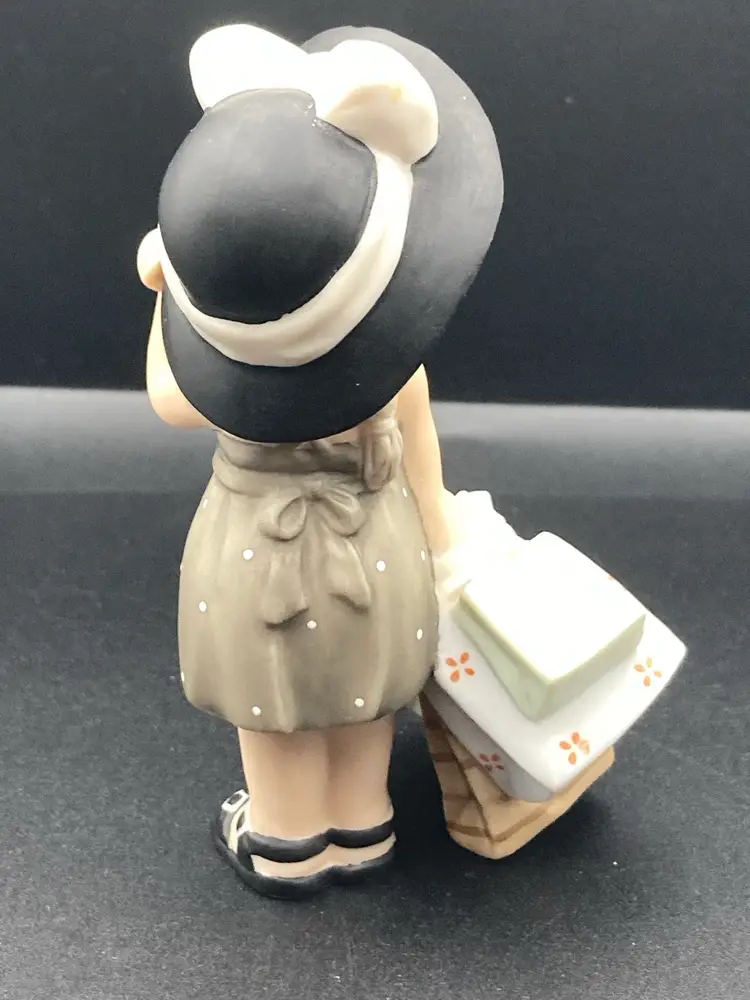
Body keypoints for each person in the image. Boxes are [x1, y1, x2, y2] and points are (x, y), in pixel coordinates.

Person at [136, 23, 503, 898]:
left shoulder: (218, 384)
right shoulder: (394, 368)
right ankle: (360, 823)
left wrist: (164, 295)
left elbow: (173, 398)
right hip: (378, 543)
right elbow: (422, 456)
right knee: (364, 693)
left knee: (278, 711)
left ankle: (287, 835)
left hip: (255, 549)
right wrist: (444, 541)